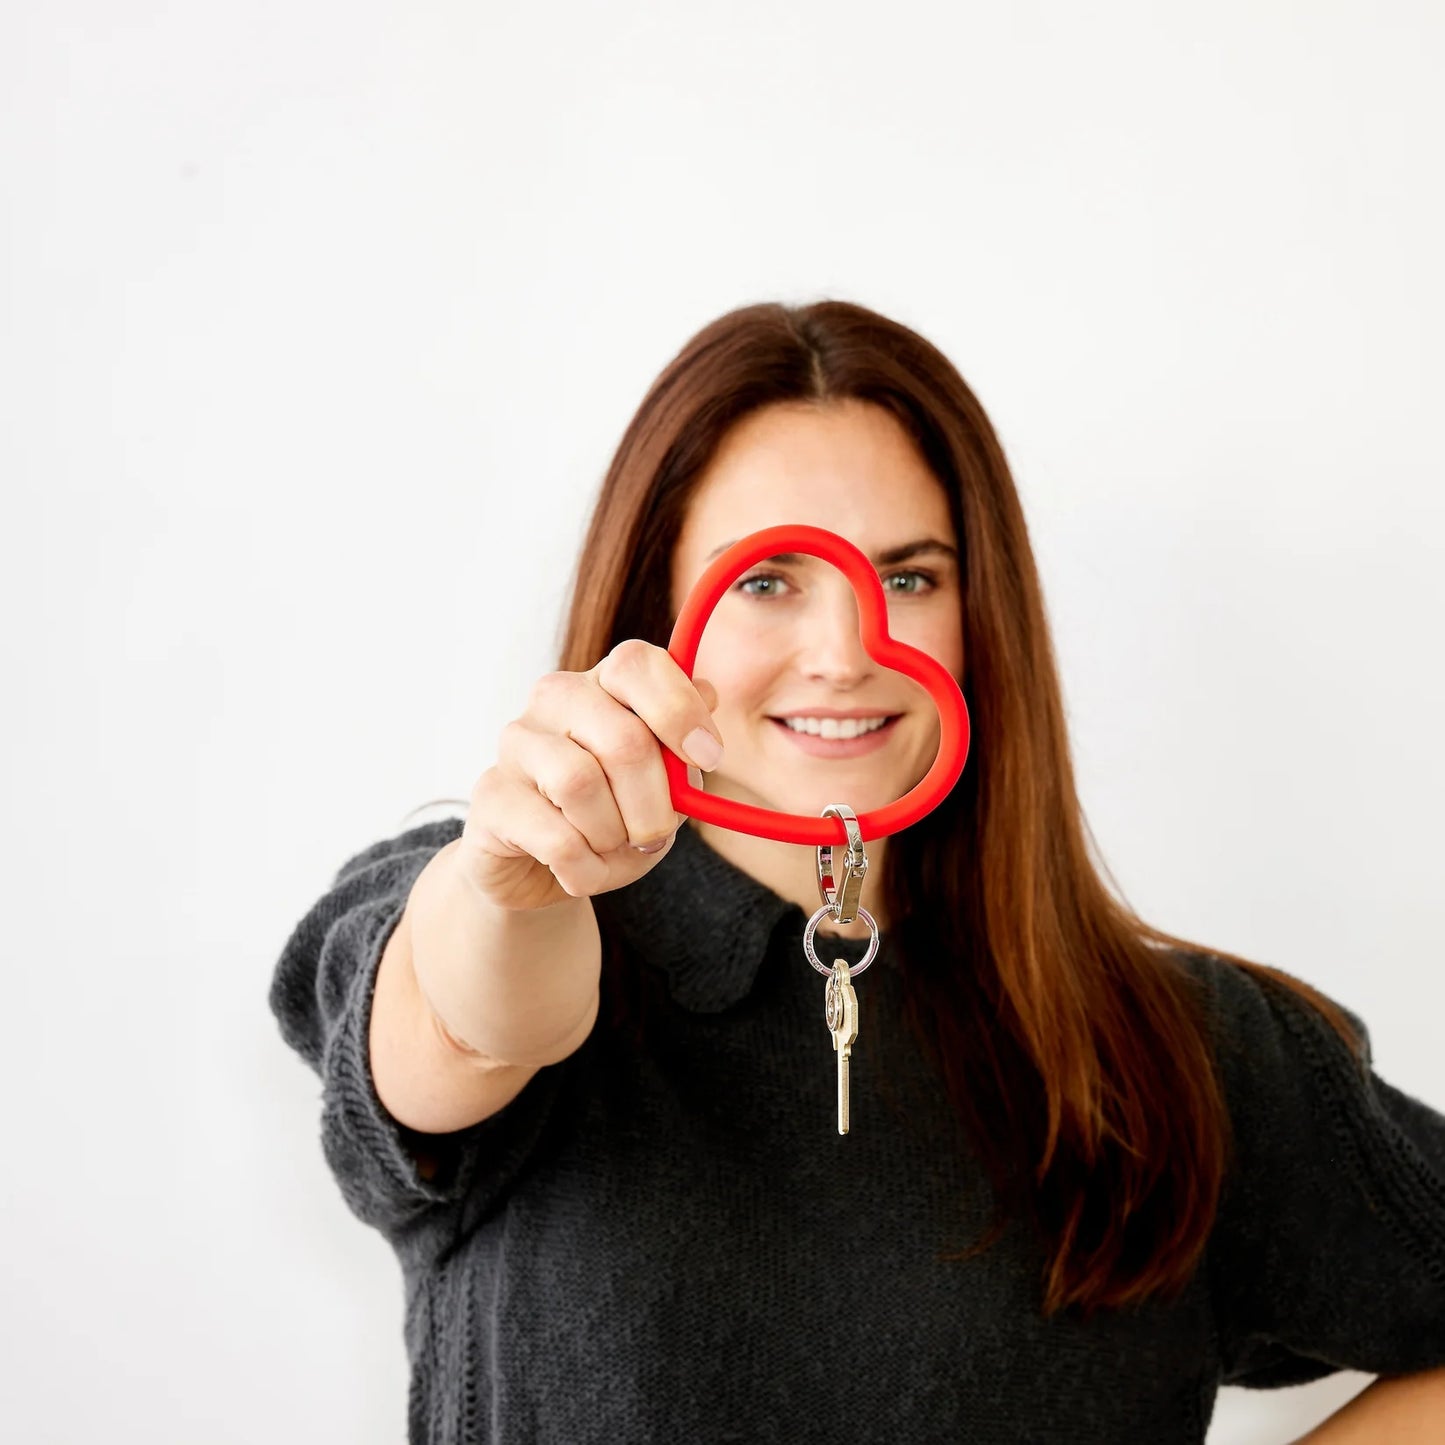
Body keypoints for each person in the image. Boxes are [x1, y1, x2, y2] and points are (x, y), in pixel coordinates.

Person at [268, 300, 1445, 1444]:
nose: (843, 653)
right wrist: (507, 885)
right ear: (650, 610)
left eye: (912, 577)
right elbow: (470, 1024)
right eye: (766, 579)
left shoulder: (1181, 1052)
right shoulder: (496, 909)